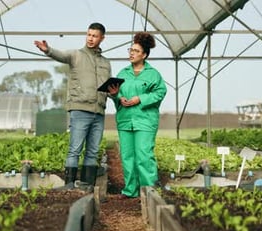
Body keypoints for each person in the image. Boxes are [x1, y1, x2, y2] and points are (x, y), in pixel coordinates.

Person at [34, 22, 111, 190]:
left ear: (102, 38)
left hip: (99, 112)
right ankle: (69, 187)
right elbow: (60, 55)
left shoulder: (106, 63)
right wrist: (48, 50)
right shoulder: (76, 55)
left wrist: (113, 92)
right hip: (80, 109)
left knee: (92, 151)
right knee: (74, 150)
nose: (91, 38)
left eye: (95, 36)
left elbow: (108, 87)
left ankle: (87, 186)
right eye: (89, 35)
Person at [108, 32, 167, 198]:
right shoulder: (122, 73)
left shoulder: (153, 74)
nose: (131, 53)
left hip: (145, 121)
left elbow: (160, 92)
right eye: (130, 50)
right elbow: (115, 93)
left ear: (145, 55)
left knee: (144, 155)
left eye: (135, 50)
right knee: (127, 156)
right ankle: (130, 190)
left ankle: (149, 191)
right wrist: (116, 96)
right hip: (125, 120)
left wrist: (140, 99)